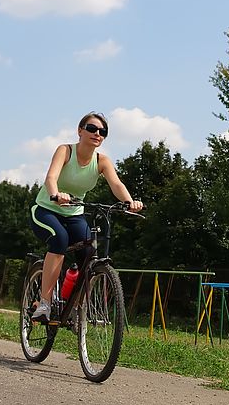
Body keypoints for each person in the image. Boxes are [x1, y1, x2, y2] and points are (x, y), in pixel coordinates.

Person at [29, 111, 143, 322]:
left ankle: (75, 305)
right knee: (59, 240)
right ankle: (44, 304)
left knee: (89, 252)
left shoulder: (102, 161)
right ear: (80, 131)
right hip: (46, 210)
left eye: (102, 131)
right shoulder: (65, 151)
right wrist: (56, 194)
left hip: (74, 213)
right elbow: (51, 177)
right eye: (91, 128)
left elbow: (116, 184)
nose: (97, 133)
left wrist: (129, 201)